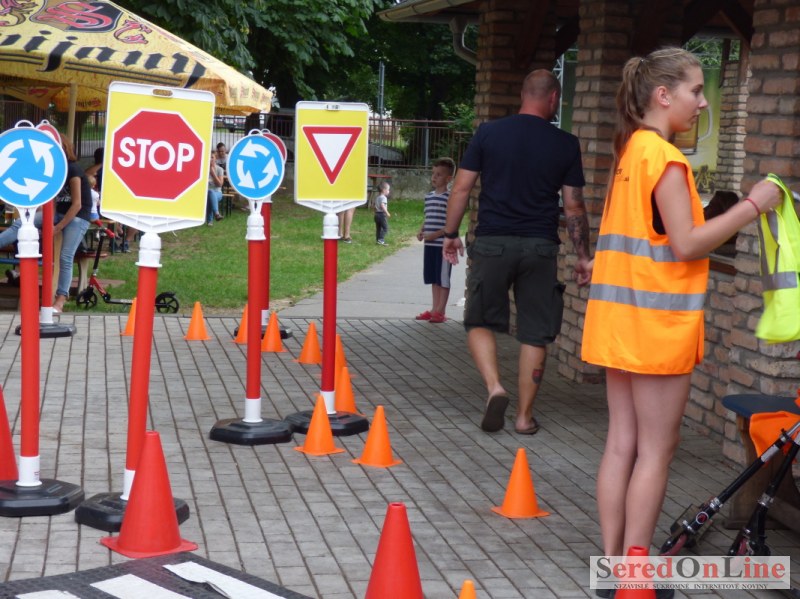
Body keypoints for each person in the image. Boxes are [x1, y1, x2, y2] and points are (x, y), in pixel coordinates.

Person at [580, 48, 780, 597]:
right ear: (663, 95)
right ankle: (634, 577)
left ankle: (613, 567)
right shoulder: (666, 159)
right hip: (656, 327)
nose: (702, 103)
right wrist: (753, 205)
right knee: (655, 451)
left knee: (621, 444)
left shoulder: (631, 152)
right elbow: (687, 244)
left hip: (619, 322)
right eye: (695, 90)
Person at [442, 69, 590, 435]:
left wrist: (450, 234)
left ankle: (495, 387)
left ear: (523, 94)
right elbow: (574, 206)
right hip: (540, 247)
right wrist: (583, 255)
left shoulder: (488, 133)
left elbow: (461, 189)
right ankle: (524, 417)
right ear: (553, 99)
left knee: (479, 320)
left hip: (493, 242)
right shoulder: (565, 143)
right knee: (535, 332)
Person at [0, 137, 93, 312]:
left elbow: (77, 204)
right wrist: (46, 218)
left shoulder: (73, 169)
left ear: (63, 149)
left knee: (65, 257)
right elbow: (54, 201)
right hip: (58, 213)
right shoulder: (56, 171)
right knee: (21, 223)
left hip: (78, 216)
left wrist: (56, 228)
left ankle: (60, 300)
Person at [416, 157, 456, 324]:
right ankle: (434, 309)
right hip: (430, 245)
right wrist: (422, 230)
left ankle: (441, 311)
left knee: (443, 279)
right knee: (434, 278)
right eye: (433, 173)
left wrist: (436, 235)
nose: (434, 177)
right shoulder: (429, 196)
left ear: (448, 178)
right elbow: (428, 217)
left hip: (443, 246)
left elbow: (451, 223)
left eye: (439, 174)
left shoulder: (450, 198)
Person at [206, 152, 225, 225]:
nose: (210, 159)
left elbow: (220, 184)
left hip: (218, 193)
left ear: (215, 159)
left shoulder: (220, 169)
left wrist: (213, 173)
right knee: (210, 194)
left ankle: (214, 216)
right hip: (206, 194)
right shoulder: (204, 170)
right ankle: (214, 217)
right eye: (209, 157)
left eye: (212, 157)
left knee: (211, 193)